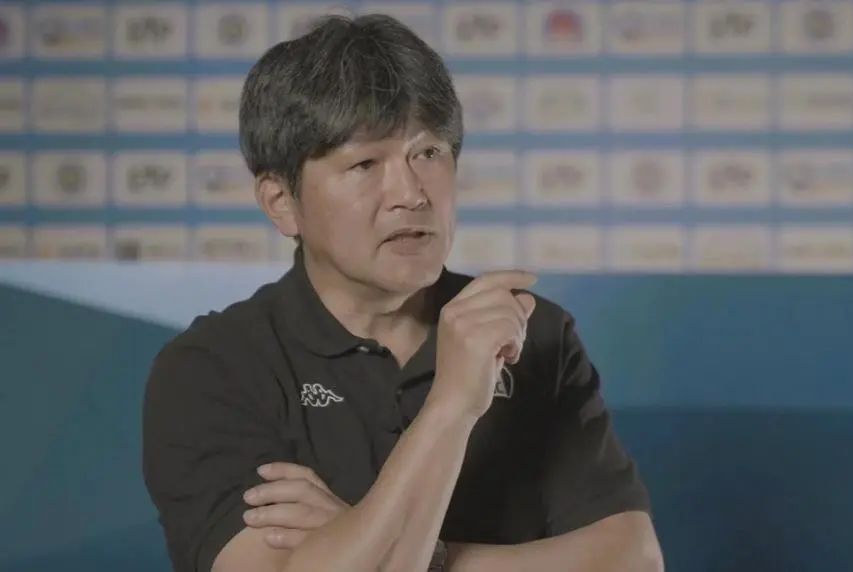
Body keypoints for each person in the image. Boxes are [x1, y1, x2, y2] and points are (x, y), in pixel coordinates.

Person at [142, 14, 663, 572]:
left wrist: (399, 550)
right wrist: (452, 404)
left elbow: (632, 560)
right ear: (281, 202)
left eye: (429, 153)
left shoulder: (529, 332)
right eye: (365, 163)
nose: (411, 193)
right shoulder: (213, 367)